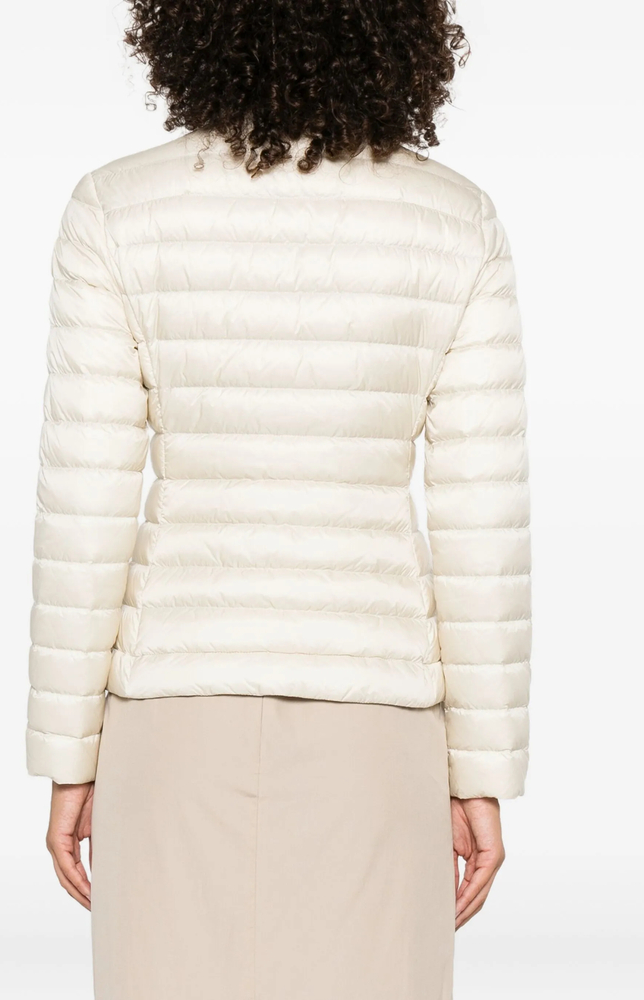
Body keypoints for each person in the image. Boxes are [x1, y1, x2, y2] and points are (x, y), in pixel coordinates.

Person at [27, 2, 530, 997]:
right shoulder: (454, 223)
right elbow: (482, 524)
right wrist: (480, 768)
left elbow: (84, 509)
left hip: (173, 714)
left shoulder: (116, 210)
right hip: (377, 723)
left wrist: (69, 753)